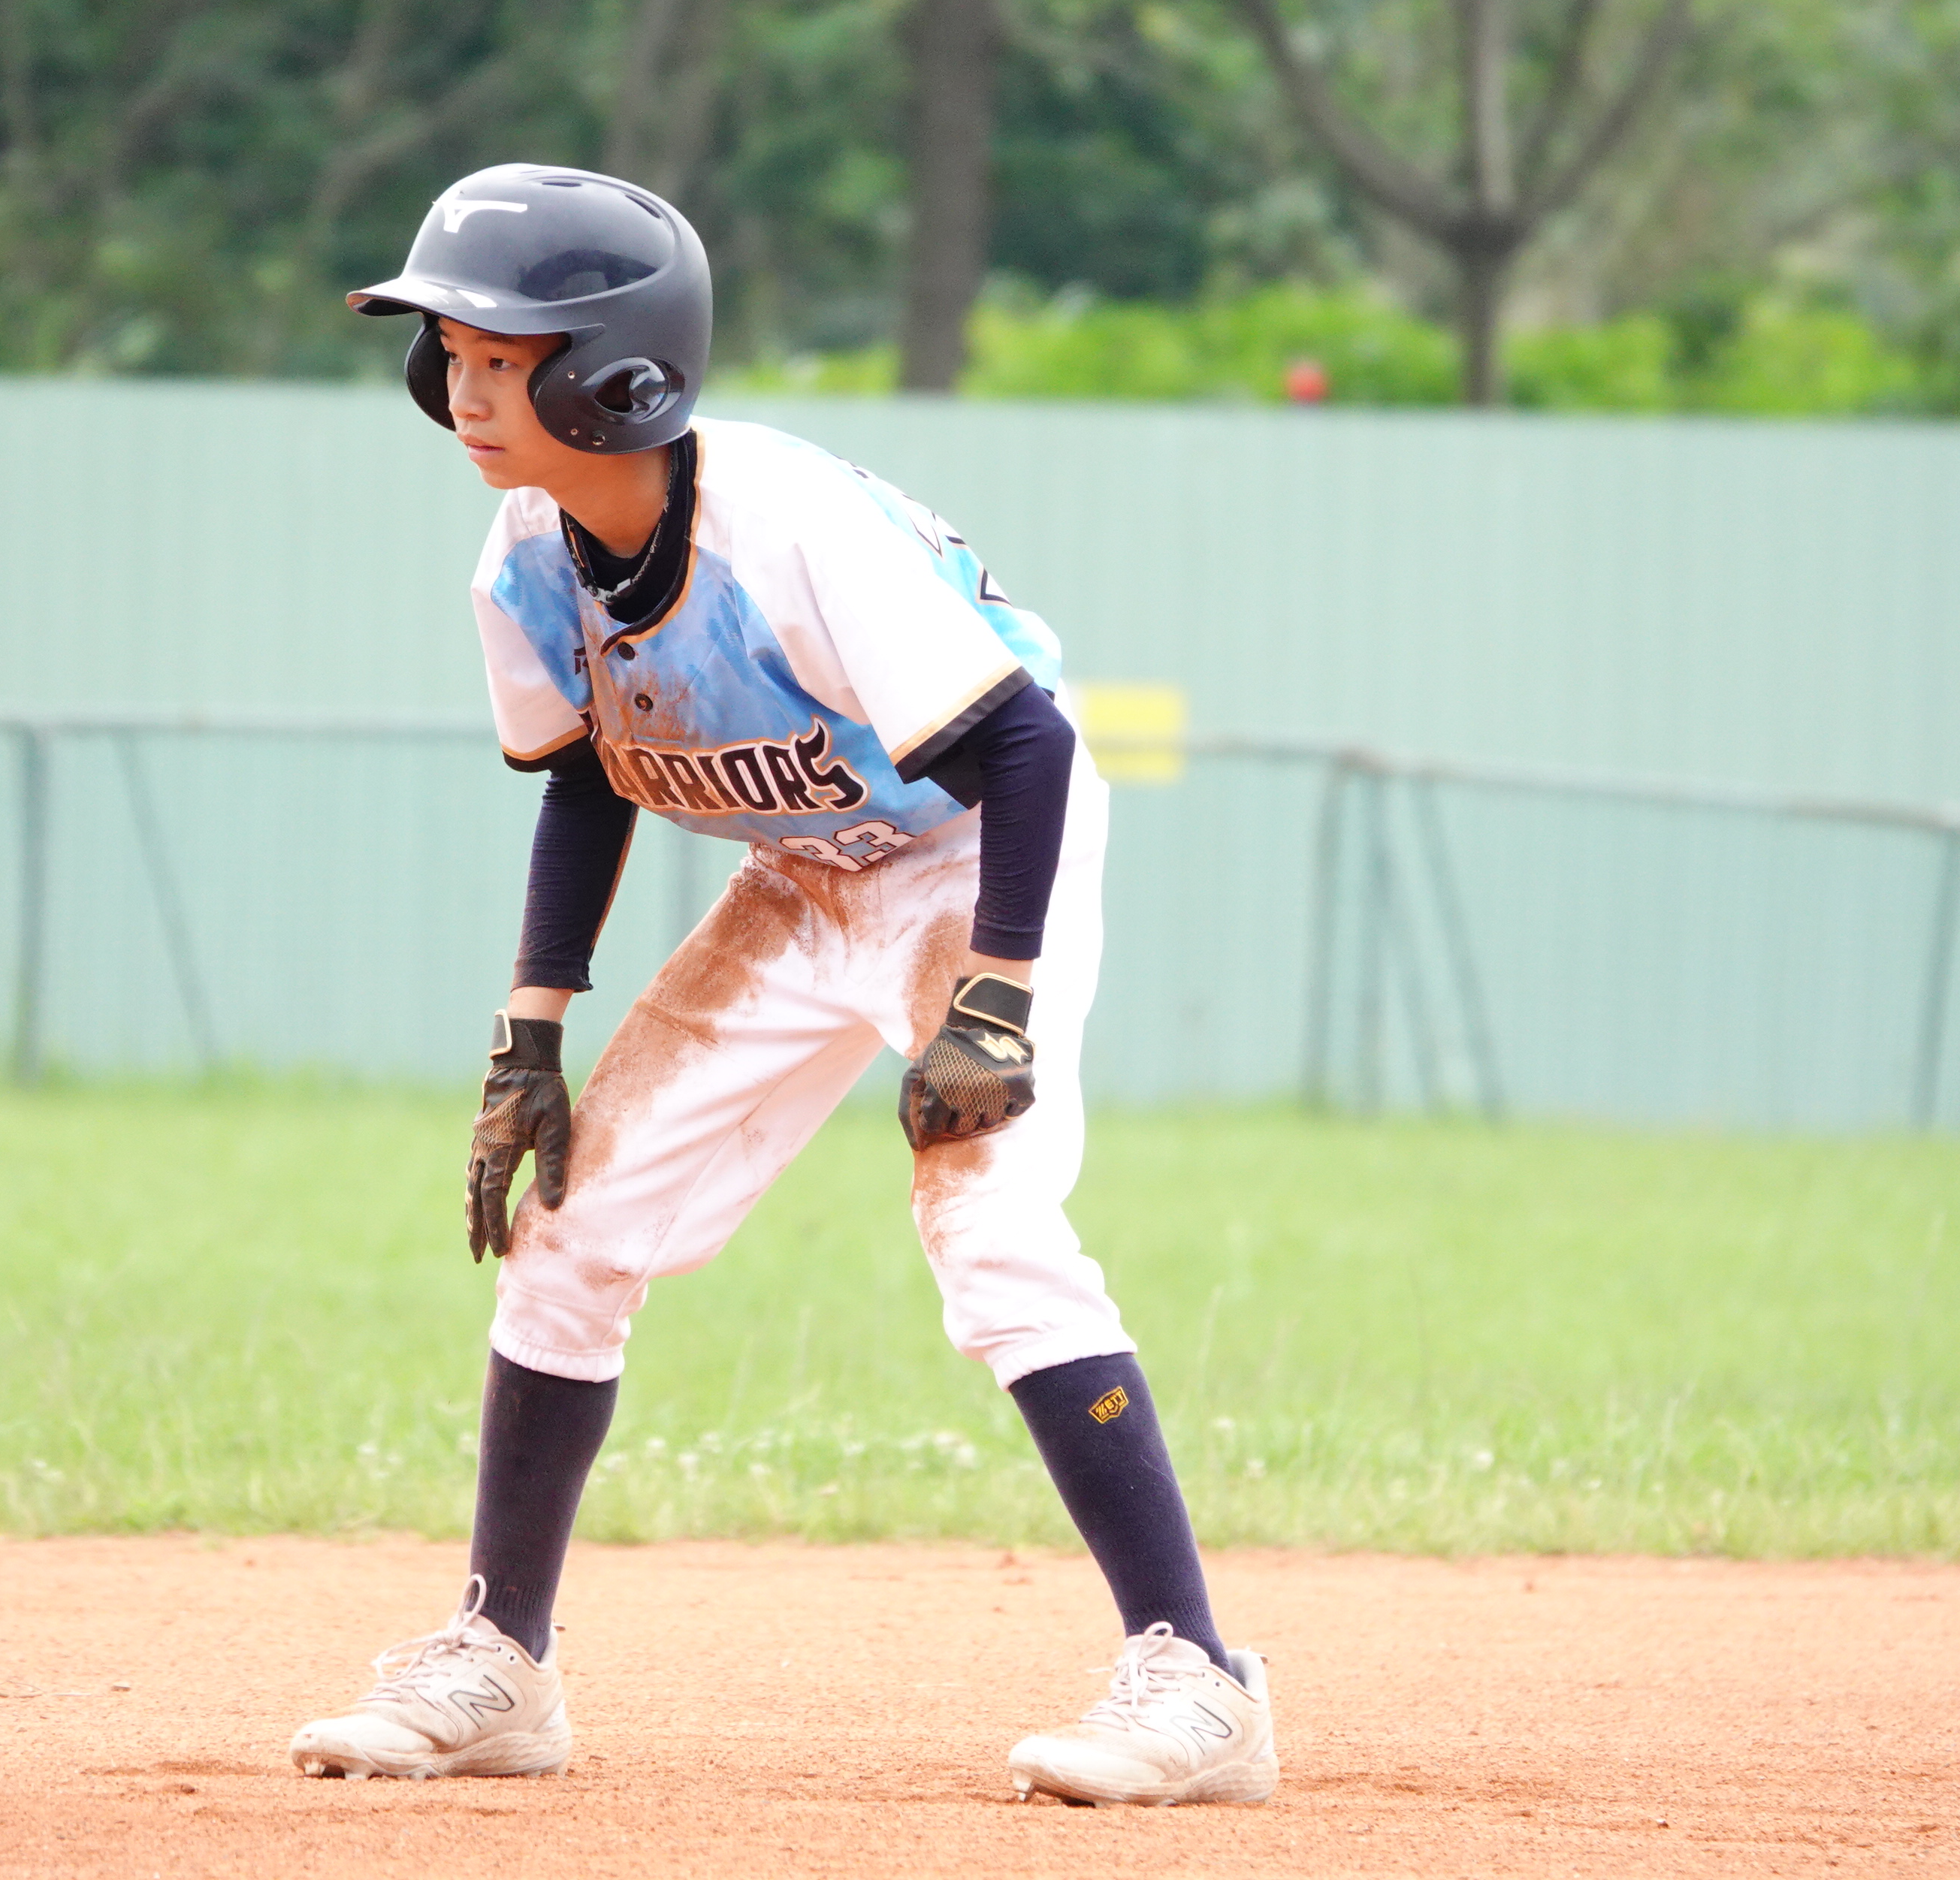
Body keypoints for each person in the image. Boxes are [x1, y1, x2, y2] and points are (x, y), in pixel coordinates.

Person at [286, 164, 1276, 1808]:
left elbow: (1028, 744)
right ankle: (501, 1661)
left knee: (990, 1225)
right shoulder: (524, 555)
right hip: (803, 878)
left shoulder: (782, 526)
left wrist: (995, 1002)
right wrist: (530, 1034)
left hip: (973, 856)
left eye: (504, 357)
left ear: (620, 375)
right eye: (449, 354)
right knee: (569, 1226)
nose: (464, 390)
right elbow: (589, 778)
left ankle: (1200, 1679)